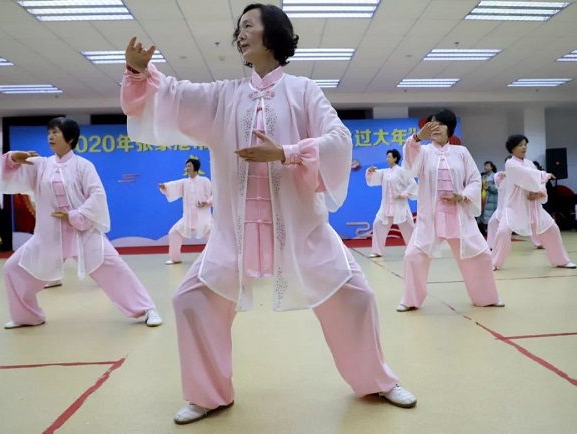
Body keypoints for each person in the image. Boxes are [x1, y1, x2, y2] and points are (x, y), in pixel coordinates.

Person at [121, 3, 416, 425]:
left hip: (301, 231)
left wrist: (287, 152)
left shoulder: (303, 91)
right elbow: (173, 95)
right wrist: (138, 75)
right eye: (238, 28)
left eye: (249, 26)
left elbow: (338, 138)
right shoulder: (224, 95)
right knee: (190, 299)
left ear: (273, 34)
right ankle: (209, 394)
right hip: (234, 235)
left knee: (357, 297)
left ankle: (378, 382)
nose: (240, 34)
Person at [0, 117, 163, 329]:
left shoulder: (84, 166)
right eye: (49, 132)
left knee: (115, 268)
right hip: (49, 236)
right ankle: (27, 316)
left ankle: (147, 309)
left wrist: (74, 216)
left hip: (83, 232)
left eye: (56, 132)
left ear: (71, 138)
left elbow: (97, 195)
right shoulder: (40, 165)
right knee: (13, 268)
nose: (50, 136)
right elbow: (10, 172)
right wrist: (13, 157)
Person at [397, 109, 504, 312]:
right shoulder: (423, 150)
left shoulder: (461, 153)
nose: (434, 127)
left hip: (458, 215)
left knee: (481, 255)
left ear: (450, 129)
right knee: (413, 256)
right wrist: (417, 138)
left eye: (440, 124)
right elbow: (409, 166)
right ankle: (410, 300)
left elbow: (474, 180)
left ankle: (487, 297)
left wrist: (462, 195)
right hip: (431, 217)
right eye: (431, 124)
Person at [491, 135, 575, 270]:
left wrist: (538, 193)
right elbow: (527, 175)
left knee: (553, 229)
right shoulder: (510, 163)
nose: (524, 147)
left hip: (533, 207)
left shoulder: (529, 163)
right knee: (502, 232)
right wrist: (544, 175)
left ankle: (561, 261)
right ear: (512, 149)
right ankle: (494, 263)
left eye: (525, 144)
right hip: (514, 207)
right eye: (520, 145)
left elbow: (535, 180)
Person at [159, 158, 212, 265]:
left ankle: (215, 258)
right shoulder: (184, 182)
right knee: (174, 233)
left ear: (195, 168)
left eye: (189, 166)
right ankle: (175, 258)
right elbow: (172, 186)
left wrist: (206, 203)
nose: (187, 168)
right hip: (187, 218)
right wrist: (165, 187)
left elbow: (213, 194)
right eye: (186, 166)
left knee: (213, 236)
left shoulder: (204, 181)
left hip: (203, 217)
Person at [365, 148, 417, 258]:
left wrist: (404, 194)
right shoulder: (385, 172)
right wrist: (370, 171)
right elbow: (373, 177)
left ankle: (414, 250)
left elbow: (412, 185)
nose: (387, 159)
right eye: (387, 156)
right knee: (377, 224)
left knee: (409, 228)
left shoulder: (402, 171)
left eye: (389, 157)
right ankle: (377, 251)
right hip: (386, 206)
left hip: (400, 206)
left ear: (395, 158)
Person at [486, 157, 543, 250]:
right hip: (504, 207)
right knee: (492, 222)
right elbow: (497, 180)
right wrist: (503, 176)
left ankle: (539, 242)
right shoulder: (500, 175)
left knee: (532, 222)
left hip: (520, 206)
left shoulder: (521, 176)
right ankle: (491, 245)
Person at [477, 161, 498, 236]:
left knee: (489, 217)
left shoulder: (495, 176)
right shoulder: (483, 176)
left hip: (491, 200)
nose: (486, 167)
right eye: (485, 166)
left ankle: (490, 233)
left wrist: (488, 187)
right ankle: (483, 232)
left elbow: (497, 188)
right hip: (483, 198)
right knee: (482, 216)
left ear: (491, 167)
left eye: (487, 166)